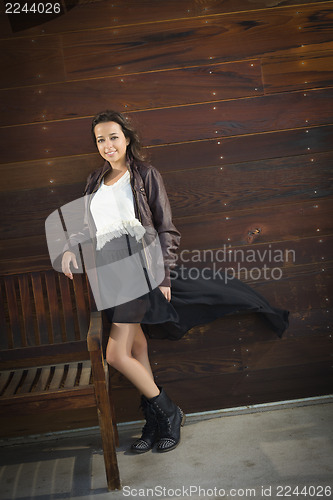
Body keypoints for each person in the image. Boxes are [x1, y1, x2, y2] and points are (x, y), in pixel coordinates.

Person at [59, 109, 289, 454]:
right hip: (107, 274)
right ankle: (155, 423)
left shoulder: (145, 175)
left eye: (113, 137)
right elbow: (83, 225)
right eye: (100, 139)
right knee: (136, 348)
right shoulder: (94, 180)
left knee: (115, 353)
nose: (107, 145)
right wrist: (67, 249)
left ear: (127, 139)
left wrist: (163, 274)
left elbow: (166, 228)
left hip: (139, 270)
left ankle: (169, 411)